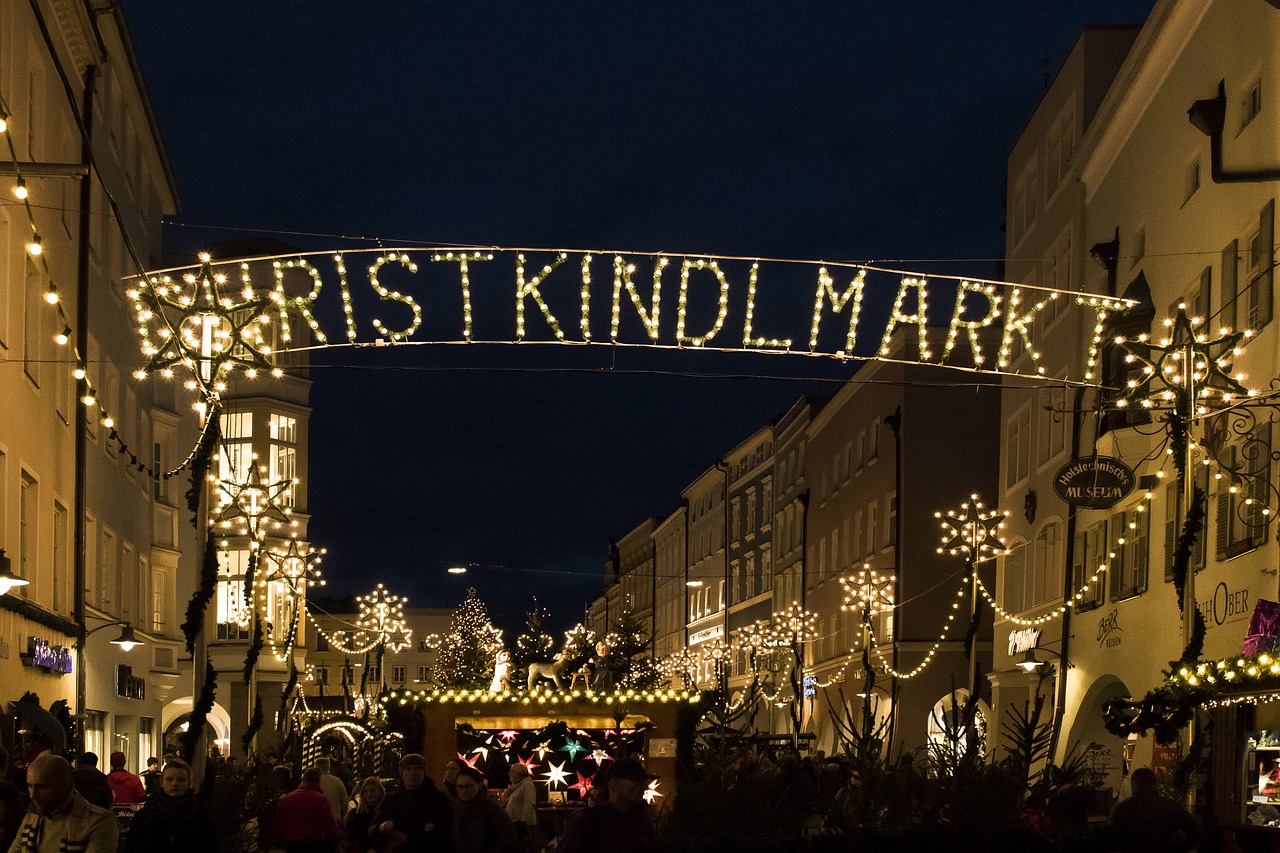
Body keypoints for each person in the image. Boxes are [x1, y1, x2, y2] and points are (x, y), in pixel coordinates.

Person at [10, 752, 118, 853]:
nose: (33, 795)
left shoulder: (99, 821)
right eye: (30, 786)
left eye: (42, 787)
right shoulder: (32, 817)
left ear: (64, 785)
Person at [556, 758, 655, 853]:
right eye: (637, 781)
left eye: (644, 782)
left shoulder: (642, 820)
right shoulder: (586, 821)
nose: (645, 787)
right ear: (614, 783)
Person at [122, 759, 217, 853]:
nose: (174, 784)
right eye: (169, 779)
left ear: (189, 784)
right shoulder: (143, 817)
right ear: (162, 783)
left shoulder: (200, 819)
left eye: (180, 780)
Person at [1109, 767, 1204, 853]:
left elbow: (1112, 841)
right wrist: (1176, 849)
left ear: (1133, 786)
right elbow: (1197, 831)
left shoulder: (1121, 809)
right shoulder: (1171, 806)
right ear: (1155, 784)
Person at [371, 754, 453, 852]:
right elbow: (372, 829)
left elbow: (444, 834)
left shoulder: (438, 799)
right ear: (402, 773)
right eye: (408, 769)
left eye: (417, 768)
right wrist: (381, 827)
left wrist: (409, 838)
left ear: (424, 772)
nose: (413, 773)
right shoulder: (391, 799)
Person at [273, 766, 341, 853]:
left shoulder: (286, 799)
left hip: (291, 841)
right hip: (313, 840)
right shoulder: (320, 799)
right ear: (318, 781)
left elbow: (278, 821)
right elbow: (330, 824)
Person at [453, 766, 516, 853]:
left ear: (479, 785)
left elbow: (510, 839)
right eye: (460, 787)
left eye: (468, 786)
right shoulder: (457, 809)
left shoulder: (491, 808)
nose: (464, 791)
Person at [342, 776, 385, 853]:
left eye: (373, 790)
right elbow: (346, 836)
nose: (369, 794)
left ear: (380, 791)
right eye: (366, 791)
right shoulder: (355, 814)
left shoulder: (386, 811)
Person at [502, 763, 539, 852]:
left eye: (511, 772)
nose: (509, 774)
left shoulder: (527, 785)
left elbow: (529, 805)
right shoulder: (517, 786)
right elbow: (504, 803)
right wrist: (509, 790)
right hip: (515, 824)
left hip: (522, 825)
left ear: (518, 774)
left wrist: (524, 824)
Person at [315, 758, 349, 823]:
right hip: (334, 818)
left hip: (317, 820)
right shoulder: (337, 782)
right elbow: (344, 803)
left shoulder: (313, 782)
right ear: (329, 767)